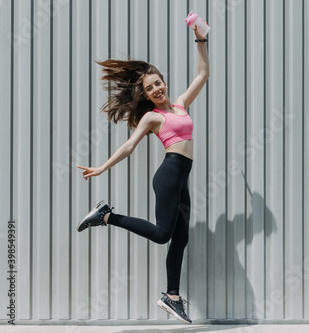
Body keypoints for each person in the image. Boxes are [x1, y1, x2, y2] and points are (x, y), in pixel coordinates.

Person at [75, 22, 209, 324]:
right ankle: (106, 216)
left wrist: (200, 38)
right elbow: (128, 147)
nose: (156, 89)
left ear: (164, 82)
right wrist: (102, 168)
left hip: (181, 177)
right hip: (169, 174)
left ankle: (172, 297)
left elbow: (202, 74)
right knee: (164, 235)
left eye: (158, 83)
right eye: (150, 88)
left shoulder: (181, 104)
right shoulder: (152, 116)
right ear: (146, 95)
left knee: (181, 237)